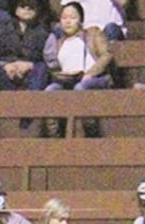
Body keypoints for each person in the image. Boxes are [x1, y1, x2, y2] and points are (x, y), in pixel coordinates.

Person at [42, 2, 114, 137]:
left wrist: (91, 73)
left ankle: (91, 133)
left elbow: (106, 54)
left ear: (80, 20)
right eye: (64, 18)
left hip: (95, 79)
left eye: (72, 18)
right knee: (50, 91)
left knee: (80, 88)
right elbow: (54, 67)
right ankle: (55, 137)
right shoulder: (58, 42)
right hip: (68, 81)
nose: (68, 21)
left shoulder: (93, 34)